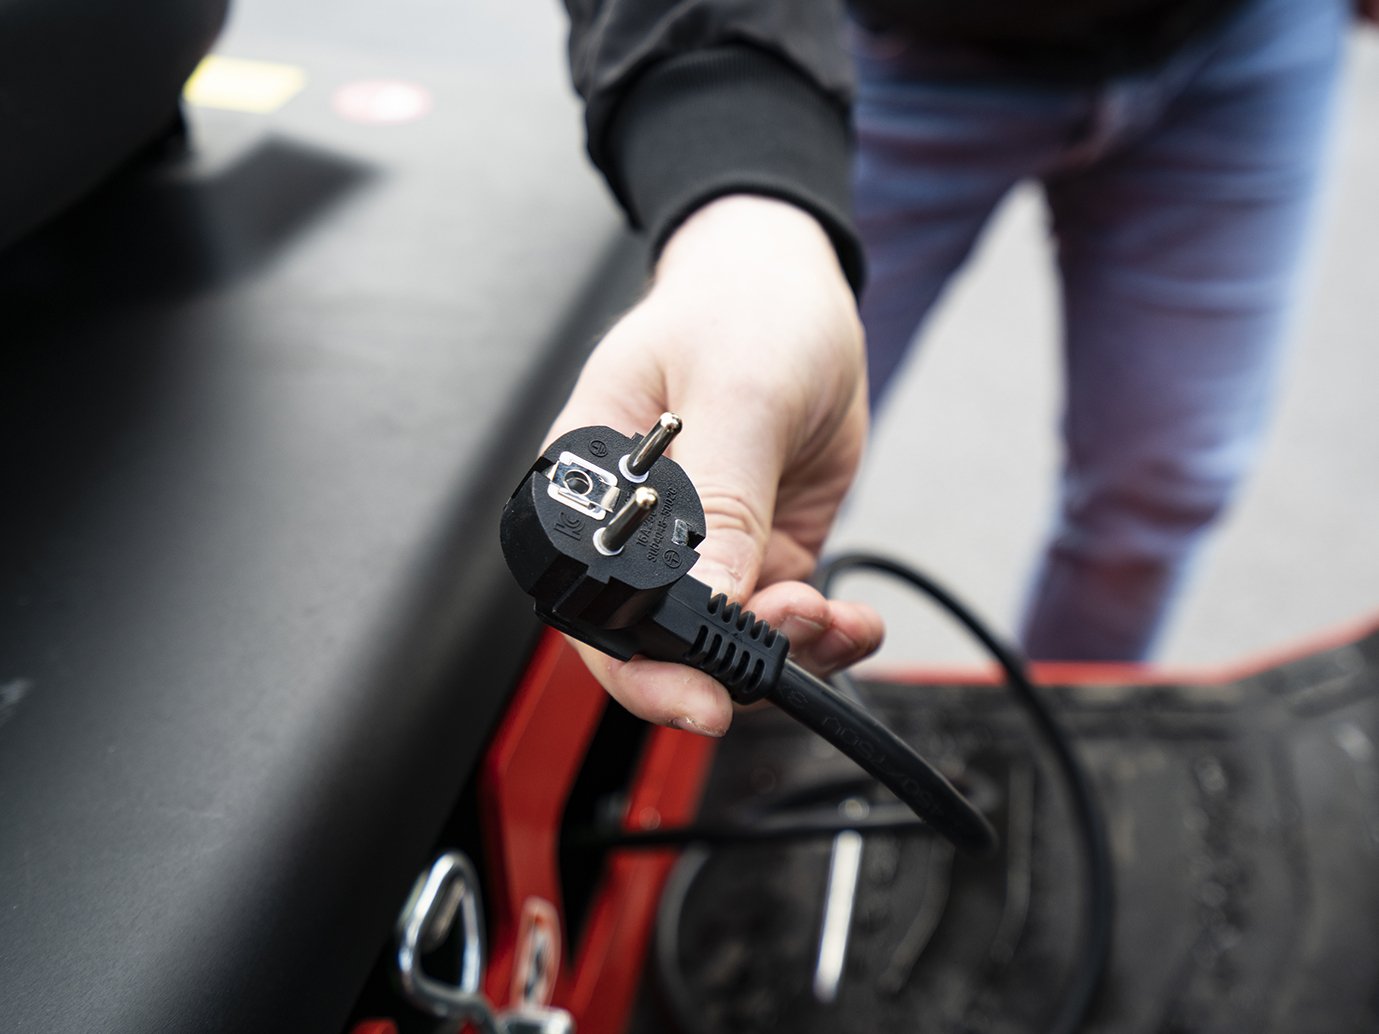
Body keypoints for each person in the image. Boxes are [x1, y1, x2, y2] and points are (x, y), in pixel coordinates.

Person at [552, 0, 1374, 737]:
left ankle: (1062, 747)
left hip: (1248, 35)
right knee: (760, 471)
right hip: (876, 46)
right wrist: (742, 197)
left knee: (1164, 486)